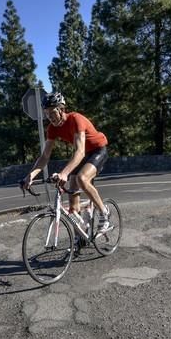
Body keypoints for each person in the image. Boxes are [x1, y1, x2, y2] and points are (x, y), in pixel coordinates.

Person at [22, 92, 111, 233]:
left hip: (97, 150)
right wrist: (31, 175)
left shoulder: (75, 119)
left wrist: (64, 173)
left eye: (52, 113)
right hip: (81, 156)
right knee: (73, 206)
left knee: (82, 178)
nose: (50, 118)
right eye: (46, 114)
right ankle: (79, 238)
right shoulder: (52, 129)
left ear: (61, 109)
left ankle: (104, 212)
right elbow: (45, 156)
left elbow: (80, 151)